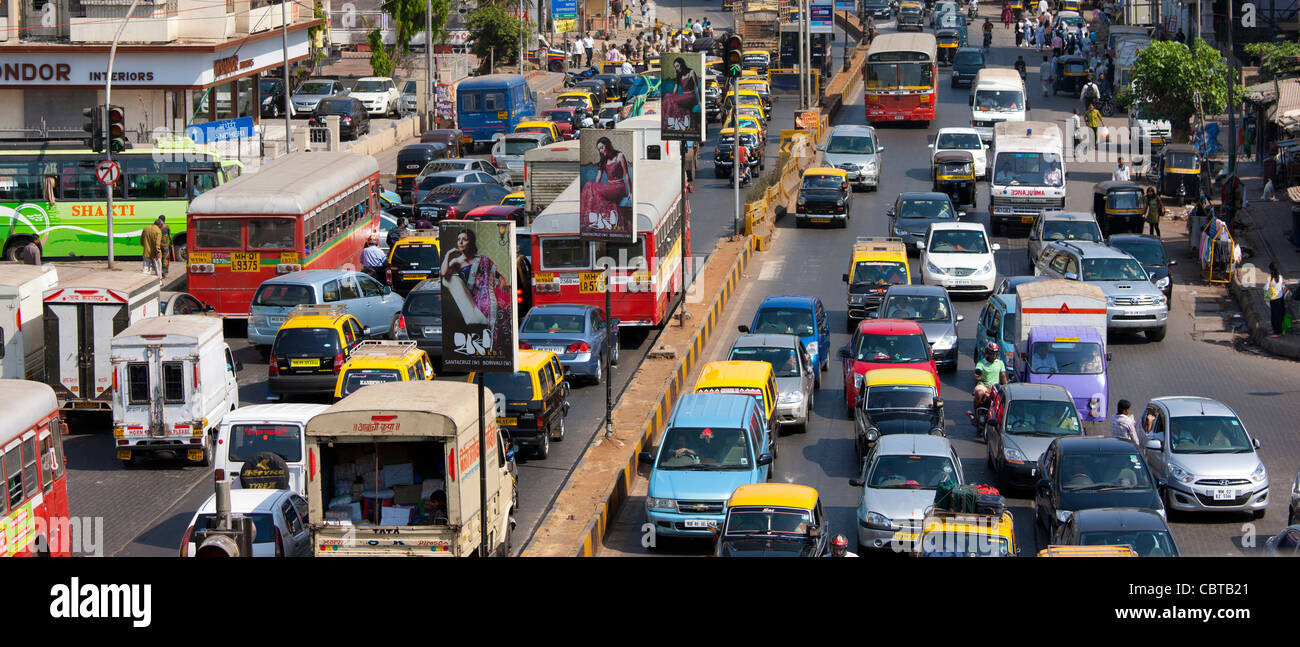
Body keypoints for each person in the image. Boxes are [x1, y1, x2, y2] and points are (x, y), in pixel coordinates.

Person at [441, 228, 511, 348]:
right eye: (459, 240)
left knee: (503, 308)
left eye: (464, 239)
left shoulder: (482, 259)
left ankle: (498, 344)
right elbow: (443, 273)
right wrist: (448, 254)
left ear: (471, 242)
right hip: (473, 298)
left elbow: (496, 274)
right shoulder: (457, 261)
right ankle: (490, 342)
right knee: (489, 306)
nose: (460, 242)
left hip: (488, 293)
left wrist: (503, 281)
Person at [581, 135, 634, 231]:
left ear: (607, 145)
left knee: (590, 186)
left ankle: (597, 220)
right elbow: (599, 176)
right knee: (590, 186)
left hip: (619, 187)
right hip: (609, 186)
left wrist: (630, 192)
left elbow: (626, 174)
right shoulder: (603, 160)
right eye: (599, 149)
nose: (600, 150)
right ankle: (600, 220)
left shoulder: (620, 156)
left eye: (602, 147)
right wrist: (595, 188)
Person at [663, 56, 700, 135]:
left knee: (671, 99)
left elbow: (696, 87)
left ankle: (669, 122)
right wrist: (672, 97)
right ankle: (669, 121)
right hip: (683, 97)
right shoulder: (679, 75)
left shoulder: (691, 72)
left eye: (677, 66)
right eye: (675, 67)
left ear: (682, 64)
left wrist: (700, 101)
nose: (676, 68)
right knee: (667, 96)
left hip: (691, 96)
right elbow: (675, 88)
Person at [973, 341, 1007, 412]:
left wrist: (1006, 387)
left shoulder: (1000, 363)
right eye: (991, 353)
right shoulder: (981, 363)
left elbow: (1003, 376)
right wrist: (980, 378)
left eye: (995, 353)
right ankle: (976, 414)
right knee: (979, 393)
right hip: (983, 386)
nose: (993, 355)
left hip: (995, 387)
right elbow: (976, 375)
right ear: (987, 353)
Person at [1266, 262, 1288, 337]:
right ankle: (1276, 331)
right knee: (1279, 315)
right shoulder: (1280, 277)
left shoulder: (1270, 278)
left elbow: (1267, 289)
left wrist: (1267, 301)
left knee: (1274, 316)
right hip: (1280, 299)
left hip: (1273, 299)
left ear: (1270, 269)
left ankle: (1278, 332)